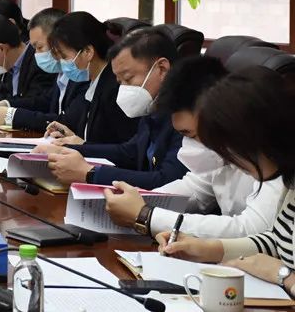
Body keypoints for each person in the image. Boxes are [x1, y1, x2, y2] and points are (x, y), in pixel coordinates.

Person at [102, 56, 282, 238]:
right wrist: (137, 204)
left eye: (192, 135)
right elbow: (194, 189)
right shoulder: (221, 156)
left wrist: (147, 215)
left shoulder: (270, 157)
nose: (189, 144)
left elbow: (253, 229)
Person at [154, 67, 295, 297]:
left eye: (230, 149)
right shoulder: (289, 182)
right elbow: (278, 241)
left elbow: (277, 263)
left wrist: (285, 276)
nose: (231, 161)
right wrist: (208, 248)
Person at [37, 28, 186, 189]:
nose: (124, 89)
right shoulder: (154, 106)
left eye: (128, 79)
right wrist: (64, 149)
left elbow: (167, 181)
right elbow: (130, 152)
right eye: (120, 82)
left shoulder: (188, 112)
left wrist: (90, 173)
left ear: (162, 68)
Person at [38, 11, 138, 145]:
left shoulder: (113, 88)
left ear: (88, 52)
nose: (62, 63)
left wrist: (83, 146)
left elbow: (127, 150)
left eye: (64, 57)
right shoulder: (93, 82)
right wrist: (70, 135)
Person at [0, 8, 67, 130]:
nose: (35, 54)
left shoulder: (48, 68)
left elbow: (63, 119)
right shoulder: (62, 74)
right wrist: (4, 104)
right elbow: (45, 101)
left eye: (39, 47)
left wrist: (10, 115)